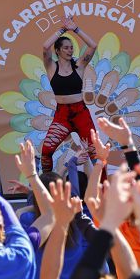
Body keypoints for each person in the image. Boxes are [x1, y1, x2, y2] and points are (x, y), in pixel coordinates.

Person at [40, 17, 99, 172]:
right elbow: (46, 46)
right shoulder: (52, 67)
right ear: (58, 51)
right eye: (65, 48)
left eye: (71, 48)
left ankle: (103, 189)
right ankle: (47, 184)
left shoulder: (79, 66)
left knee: (94, 153)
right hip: (62, 115)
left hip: (81, 113)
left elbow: (93, 45)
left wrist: (76, 29)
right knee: (46, 151)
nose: (70, 50)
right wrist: (63, 30)